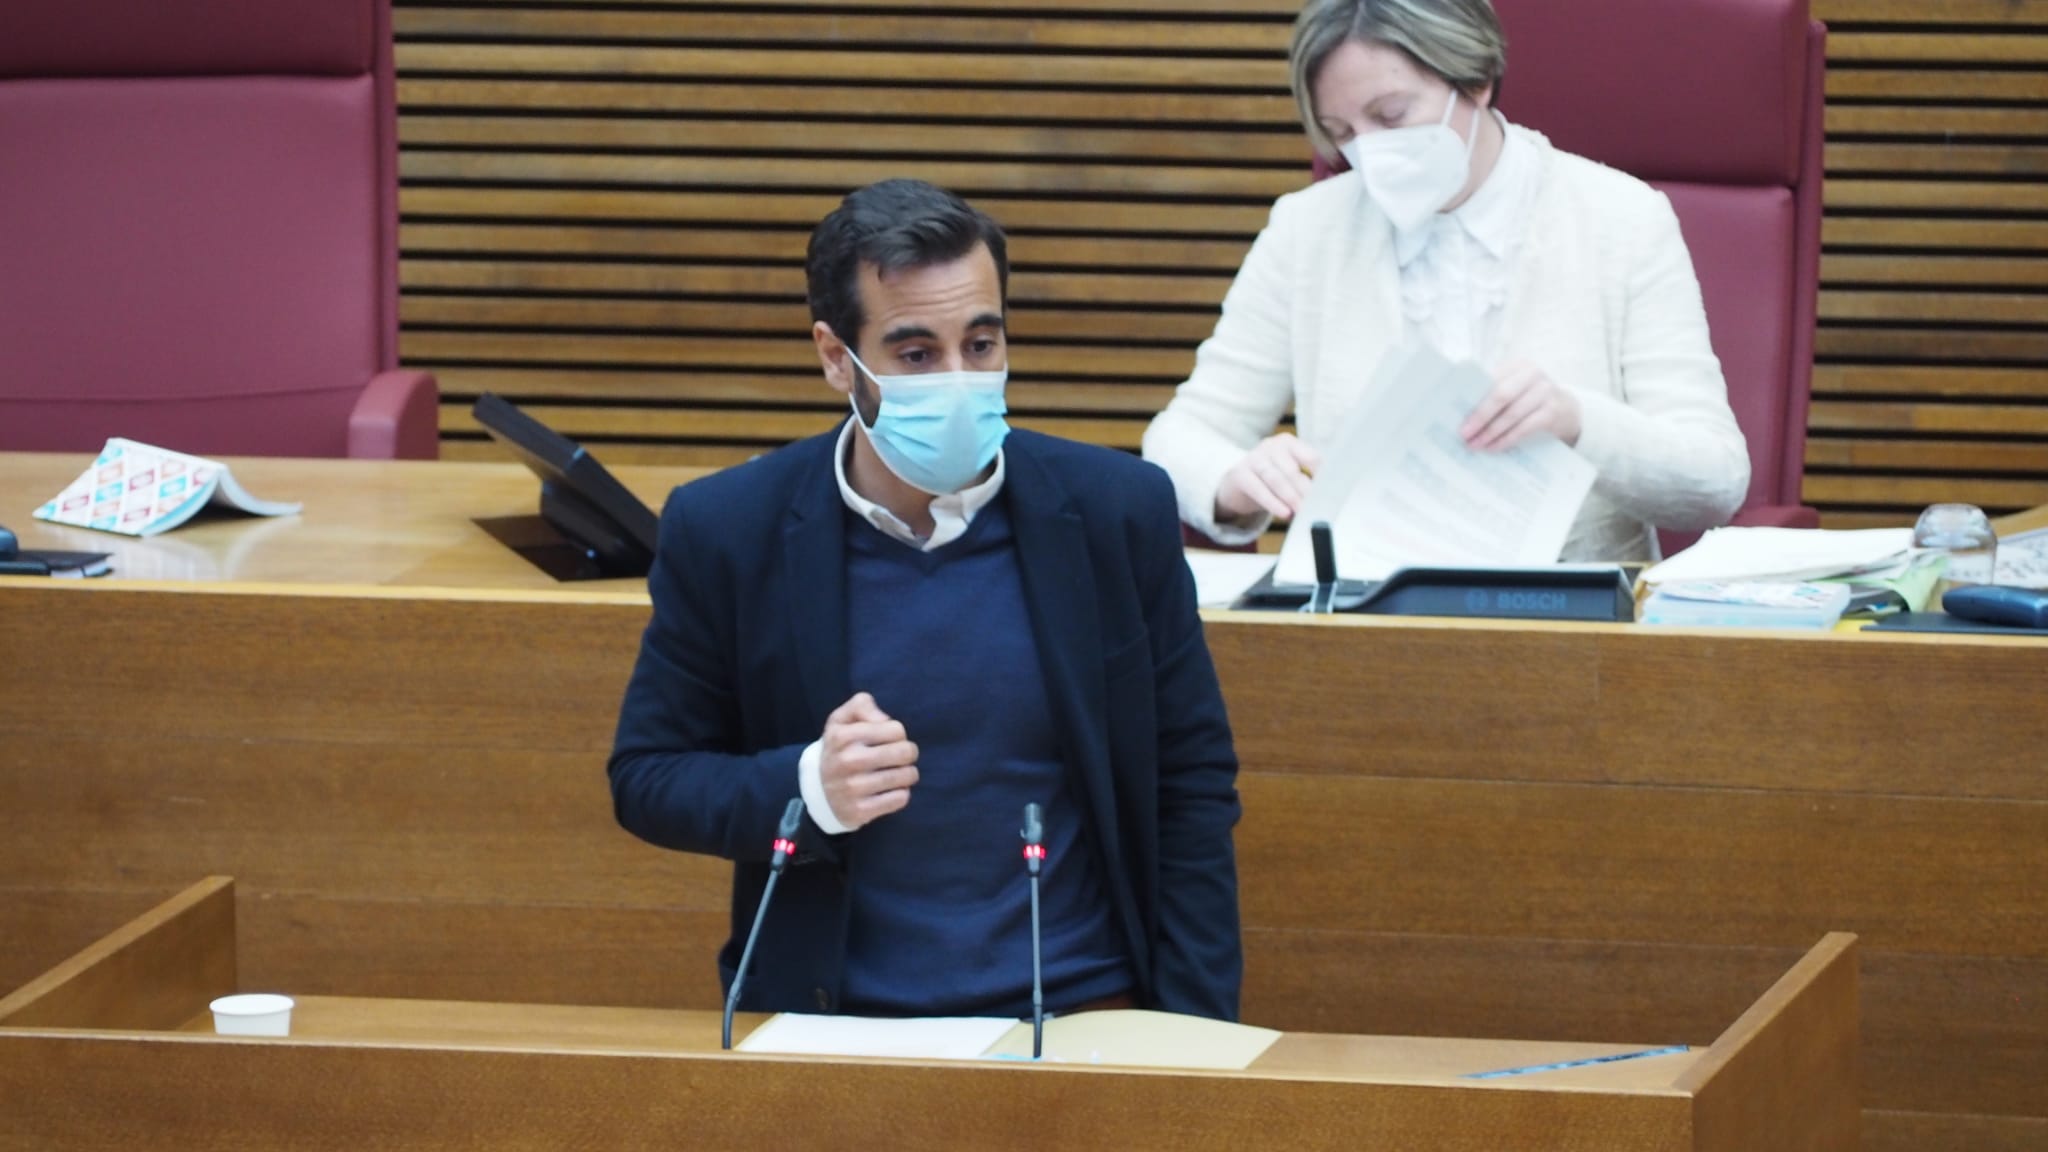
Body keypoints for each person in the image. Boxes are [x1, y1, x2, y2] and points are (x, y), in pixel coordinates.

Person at [608, 179, 1244, 1022]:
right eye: (915, 355)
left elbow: (1191, 781)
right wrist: (808, 787)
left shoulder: (1114, 512)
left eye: (980, 346)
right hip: (842, 1021)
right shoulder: (729, 528)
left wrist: (1195, 1034)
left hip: (1086, 1010)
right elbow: (648, 777)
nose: (958, 379)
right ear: (838, 358)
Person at [1143, 0, 1750, 561]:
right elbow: (1182, 435)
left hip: (1577, 627)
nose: (1370, 152)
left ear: (1476, 82)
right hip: (1365, 623)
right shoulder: (1308, 228)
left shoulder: (1621, 216)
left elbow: (1714, 481)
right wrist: (1234, 478)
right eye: (1344, 133)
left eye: (1391, 115)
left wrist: (1576, 420)